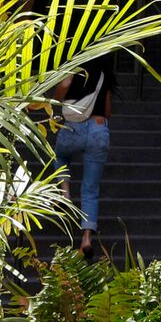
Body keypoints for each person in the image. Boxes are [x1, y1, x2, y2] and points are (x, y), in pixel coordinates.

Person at [48, 64, 113, 252]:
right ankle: (86, 238)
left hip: (73, 128)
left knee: (59, 155)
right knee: (91, 188)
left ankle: (65, 193)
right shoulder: (105, 74)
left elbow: (62, 89)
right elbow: (107, 111)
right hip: (98, 129)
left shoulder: (75, 67)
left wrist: (57, 99)